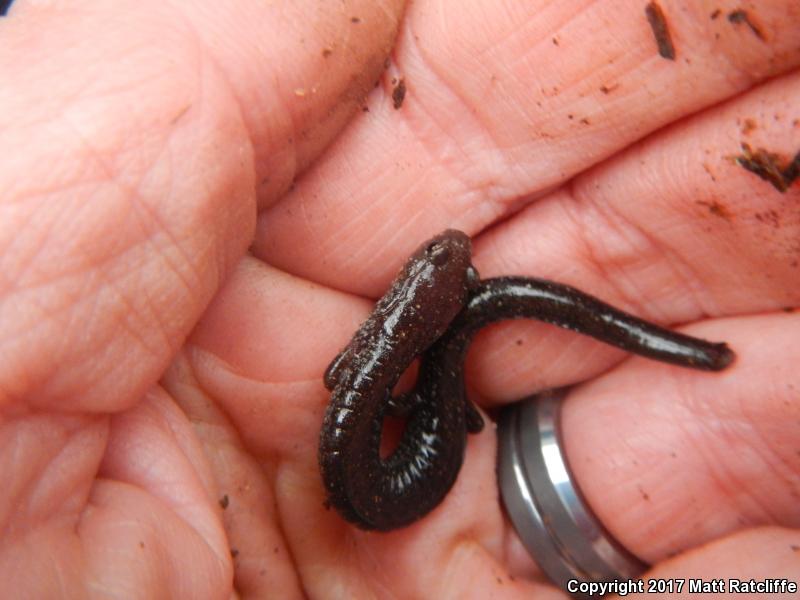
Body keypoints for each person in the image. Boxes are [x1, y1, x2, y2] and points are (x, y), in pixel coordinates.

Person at [1, 1, 798, 597]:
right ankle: (621, 340)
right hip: (404, 489)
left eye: (439, 268)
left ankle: (549, 331)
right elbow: (361, 383)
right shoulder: (376, 371)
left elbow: (355, 381)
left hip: (398, 474)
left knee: (468, 342)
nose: (445, 246)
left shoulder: (370, 365)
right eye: (434, 261)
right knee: (466, 348)